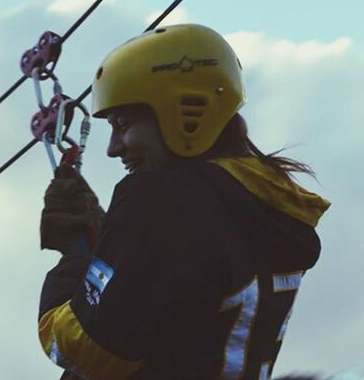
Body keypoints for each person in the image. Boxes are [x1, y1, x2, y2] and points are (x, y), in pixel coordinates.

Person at [37, 24, 331, 380]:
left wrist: (74, 260)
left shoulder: (161, 201)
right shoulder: (267, 207)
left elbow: (89, 352)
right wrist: (113, 245)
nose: (113, 148)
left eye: (123, 123)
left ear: (181, 113)